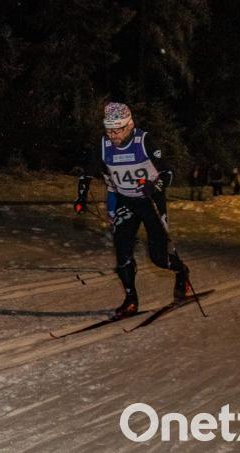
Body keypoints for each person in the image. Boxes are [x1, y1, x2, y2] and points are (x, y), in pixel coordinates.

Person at [73, 102, 191, 319]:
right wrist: (81, 196)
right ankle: (130, 300)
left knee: (158, 258)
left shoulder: (143, 141)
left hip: (150, 202)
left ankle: (181, 271)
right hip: (126, 201)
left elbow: (168, 174)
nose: (113, 136)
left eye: (117, 130)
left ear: (129, 126)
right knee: (122, 254)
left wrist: (152, 185)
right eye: (108, 130)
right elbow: (87, 173)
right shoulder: (103, 144)